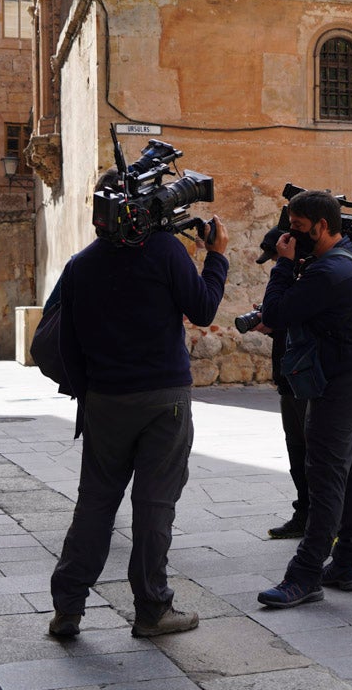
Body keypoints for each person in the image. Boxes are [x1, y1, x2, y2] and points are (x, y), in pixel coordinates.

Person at [48, 170, 229, 638]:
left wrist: (89, 393)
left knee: (95, 504)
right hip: (163, 398)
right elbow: (204, 309)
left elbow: (65, 341)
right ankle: (151, 609)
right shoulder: (165, 251)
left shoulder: (80, 265)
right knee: (154, 506)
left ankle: (68, 608)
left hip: (105, 400)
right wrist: (217, 257)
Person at [256, 190, 352, 608]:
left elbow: (276, 312)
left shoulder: (328, 271)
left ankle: (305, 575)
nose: (290, 235)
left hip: (340, 381)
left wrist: (284, 265)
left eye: (298, 228)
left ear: (323, 226)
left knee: (325, 473)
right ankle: (347, 563)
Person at [251, 227, 314, 540]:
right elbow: (286, 319)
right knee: (296, 452)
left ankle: (321, 521)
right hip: (288, 377)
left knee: (313, 453)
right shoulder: (289, 278)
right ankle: (303, 513)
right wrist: (272, 326)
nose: (276, 264)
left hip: (306, 378)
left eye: (279, 258)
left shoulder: (309, 278)